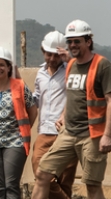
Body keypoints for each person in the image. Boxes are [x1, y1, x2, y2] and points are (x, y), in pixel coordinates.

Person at [33, 20, 111, 199]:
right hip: (68, 133)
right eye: (70, 41)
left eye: (77, 41)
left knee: (92, 185)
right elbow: (73, 96)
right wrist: (64, 115)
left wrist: (107, 135)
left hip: (92, 136)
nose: (72, 45)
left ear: (88, 41)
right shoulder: (71, 66)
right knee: (43, 174)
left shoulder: (102, 65)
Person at [0, 47, 37, 199]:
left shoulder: (20, 87)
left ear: (9, 67)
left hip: (15, 142)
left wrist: (23, 131)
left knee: (11, 186)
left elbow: (33, 111)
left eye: (2, 64)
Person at [32, 31, 75, 199]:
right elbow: (36, 98)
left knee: (65, 181)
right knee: (41, 173)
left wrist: (69, 60)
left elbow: (82, 86)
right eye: (48, 54)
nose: (52, 59)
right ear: (43, 52)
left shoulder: (71, 71)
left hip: (67, 133)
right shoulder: (40, 74)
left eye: (56, 55)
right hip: (44, 132)